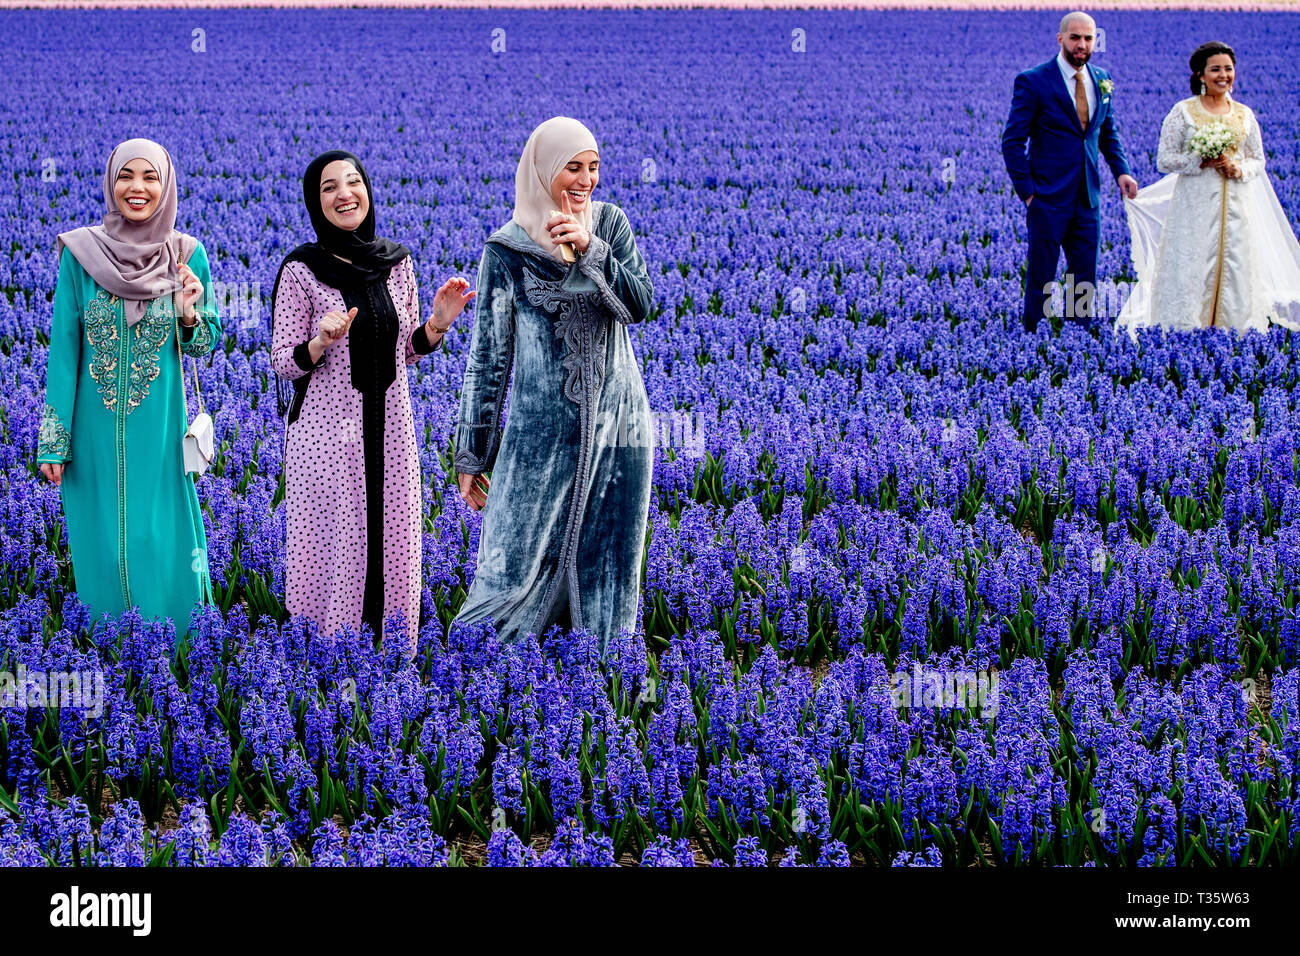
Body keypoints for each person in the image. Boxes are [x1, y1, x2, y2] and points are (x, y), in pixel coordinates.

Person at [450, 116, 655, 660]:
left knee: (609, 566)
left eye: (593, 168)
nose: (586, 181)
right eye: (573, 168)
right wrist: (473, 453)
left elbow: (641, 306)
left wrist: (592, 249)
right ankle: (490, 686)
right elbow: (489, 359)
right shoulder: (507, 251)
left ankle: (601, 681)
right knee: (511, 568)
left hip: (620, 429)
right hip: (539, 437)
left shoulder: (610, 225)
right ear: (543, 171)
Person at [270, 150, 474, 654]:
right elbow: (283, 362)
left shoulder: (396, 262)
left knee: (393, 535)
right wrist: (319, 342)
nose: (344, 194)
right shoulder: (301, 270)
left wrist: (438, 323)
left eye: (353, 182)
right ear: (315, 203)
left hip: (391, 430)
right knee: (331, 542)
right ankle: (325, 655)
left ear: (367, 190)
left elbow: (405, 348)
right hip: (326, 437)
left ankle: (391, 654)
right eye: (329, 187)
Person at [37, 138, 221, 638]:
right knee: (101, 535)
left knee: (156, 534)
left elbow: (206, 341)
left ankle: (177, 649)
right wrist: (55, 438)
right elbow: (65, 347)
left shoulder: (186, 254)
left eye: (150, 177)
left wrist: (188, 308)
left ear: (166, 186)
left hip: (160, 430)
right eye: (125, 176)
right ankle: (113, 650)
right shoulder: (80, 253)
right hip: (91, 431)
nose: (136, 188)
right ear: (110, 182)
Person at [1115, 42, 1300, 338]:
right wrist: (1199, 161)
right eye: (1216, 69)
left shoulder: (1244, 114)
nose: (1223, 75)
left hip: (1238, 205)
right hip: (1195, 204)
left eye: (1228, 69)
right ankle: (1183, 332)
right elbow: (1164, 159)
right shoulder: (1183, 112)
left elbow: (1257, 159)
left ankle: (1235, 334)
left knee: (1236, 266)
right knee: (1192, 264)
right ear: (1201, 74)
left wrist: (1239, 168)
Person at [1001, 10, 1139, 332]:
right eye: (1075, 37)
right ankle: (1032, 336)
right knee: (1042, 275)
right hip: (1047, 197)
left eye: (1088, 38)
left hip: (1087, 197)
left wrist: (1121, 172)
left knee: (1083, 277)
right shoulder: (1033, 80)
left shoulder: (1101, 78)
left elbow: (1106, 133)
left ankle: (1077, 335)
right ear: (1060, 38)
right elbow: (1012, 141)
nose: (1082, 44)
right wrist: (1029, 193)